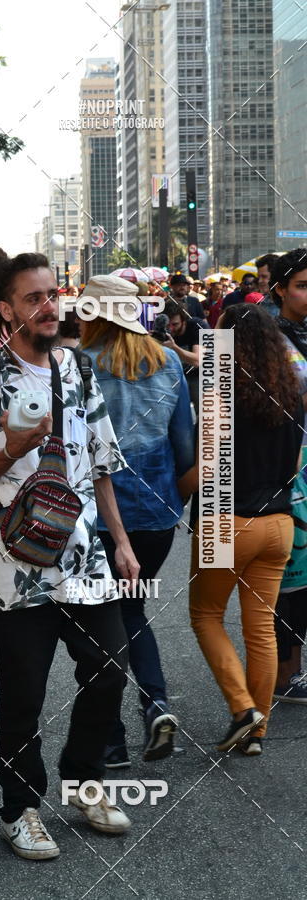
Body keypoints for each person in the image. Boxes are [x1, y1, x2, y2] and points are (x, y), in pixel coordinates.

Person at [0, 243, 139, 859]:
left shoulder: (79, 369)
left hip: (84, 556)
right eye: (33, 298)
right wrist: (12, 446)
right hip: (13, 565)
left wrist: (120, 540)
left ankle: (85, 783)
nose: (47, 306)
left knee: (110, 670)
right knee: (23, 693)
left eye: (52, 295)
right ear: (7, 310)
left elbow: (104, 463)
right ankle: (20, 808)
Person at [79, 275, 194, 766]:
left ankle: (111, 738)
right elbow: (186, 449)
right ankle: (156, 704)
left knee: (100, 623)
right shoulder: (168, 362)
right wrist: (174, 506)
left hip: (101, 518)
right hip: (155, 519)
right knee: (133, 611)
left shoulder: (80, 366)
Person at [181, 304, 303, 756]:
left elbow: (204, 469)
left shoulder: (220, 393)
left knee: (207, 616)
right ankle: (258, 731)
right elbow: (293, 466)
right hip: (279, 524)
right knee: (262, 629)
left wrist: (175, 487)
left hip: (226, 519)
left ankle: (241, 708)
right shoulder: (291, 392)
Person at [268, 249, 307, 702]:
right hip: (291, 470)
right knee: (293, 576)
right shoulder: (271, 337)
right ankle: (286, 672)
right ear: (279, 289)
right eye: (301, 285)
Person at [162, 300, 201, 412]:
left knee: (206, 414)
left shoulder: (196, 326)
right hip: (176, 376)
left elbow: (197, 360)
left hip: (199, 375)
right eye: (167, 325)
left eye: (175, 324)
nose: (171, 329)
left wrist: (174, 347)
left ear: (184, 321)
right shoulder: (162, 330)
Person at [256, 252, 281, 318]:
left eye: (264, 277)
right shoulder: (263, 302)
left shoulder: (291, 302)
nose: (259, 281)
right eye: (258, 277)